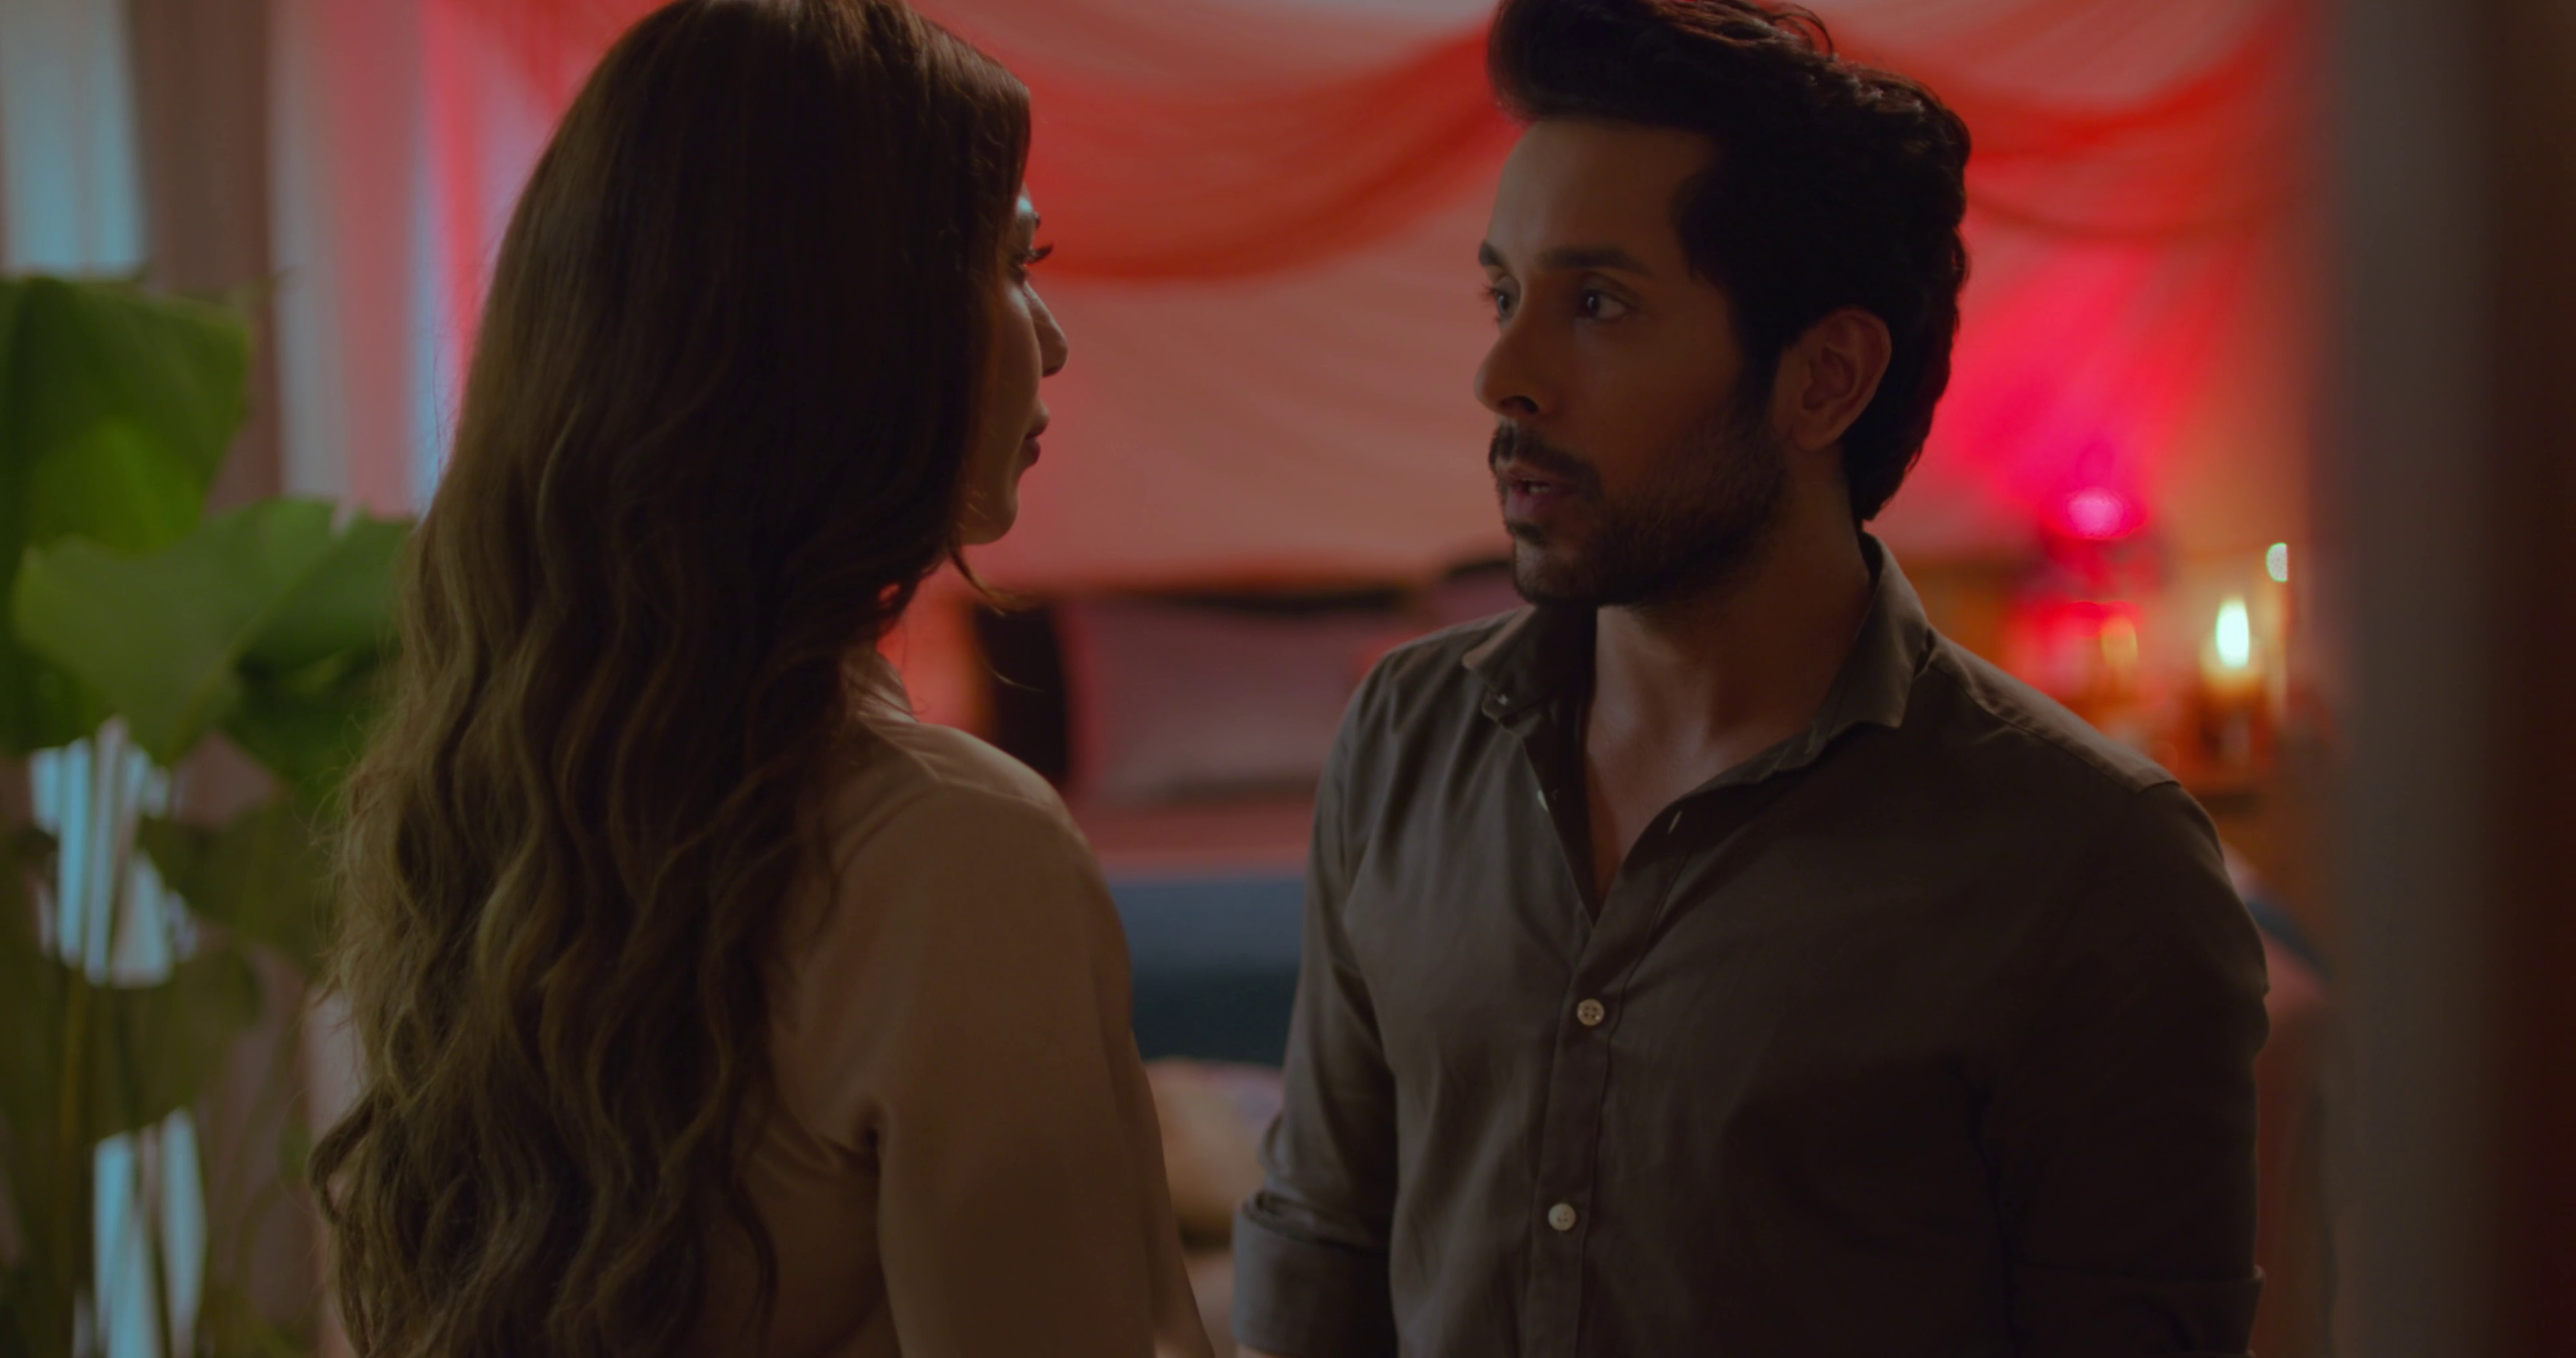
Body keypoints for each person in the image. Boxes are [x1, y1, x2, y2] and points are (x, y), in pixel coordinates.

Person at [1232, 0, 2270, 1354]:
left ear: (1824, 380)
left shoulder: (2089, 864)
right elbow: (1322, 1244)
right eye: (1504, 296)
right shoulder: (1406, 735)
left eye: (1597, 305)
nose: (1503, 375)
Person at [309, 3, 1212, 1355]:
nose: (1055, 340)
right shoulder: (954, 852)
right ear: (846, 333)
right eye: (1012, 265)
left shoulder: (495, 801)